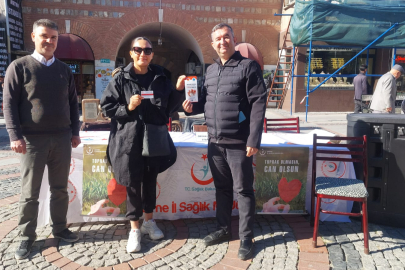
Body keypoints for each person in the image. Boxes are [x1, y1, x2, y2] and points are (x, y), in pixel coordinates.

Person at [181, 23, 267, 260]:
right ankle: (223, 229)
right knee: (222, 189)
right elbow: (206, 101)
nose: (222, 42)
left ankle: (247, 237)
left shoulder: (247, 66)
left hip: (239, 143)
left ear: (233, 39)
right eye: (218, 39)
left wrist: (253, 138)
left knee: (244, 191)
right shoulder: (209, 70)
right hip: (214, 142)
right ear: (212, 44)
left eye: (226, 37)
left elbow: (259, 102)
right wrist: (190, 107)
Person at [3, 19, 81, 260]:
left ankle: (60, 228)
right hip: (32, 141)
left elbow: (72, 103)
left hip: (61, 138)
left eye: (54, 38)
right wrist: (15, 135)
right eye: (45, 36)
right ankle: (27, 236)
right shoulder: (19, 67)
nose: (49, 41)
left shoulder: (64, 70)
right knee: (30, 192)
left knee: (60, 189)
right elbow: (9, 104)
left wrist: (75, 132)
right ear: (34, 36)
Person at [100, 37, 185, 253]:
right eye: (138, 50)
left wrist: (177, 90)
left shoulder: (160, 77)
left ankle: (149, 221)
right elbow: (106, 107)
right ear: (131, 53)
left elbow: (168, 108)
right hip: (129, 140)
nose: (142, 54)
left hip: (153, 138)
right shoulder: (121, 79)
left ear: (152, 54)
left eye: (147, 50)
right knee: (132, 184)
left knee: (150, 181)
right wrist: (127, 107)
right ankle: (135, 229)